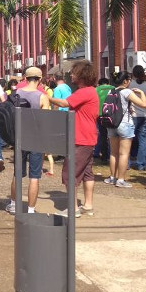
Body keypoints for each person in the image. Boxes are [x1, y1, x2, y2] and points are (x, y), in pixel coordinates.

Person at [48, 61, 99, 218]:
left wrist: (46, 97)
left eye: (74, 73)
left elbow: (65, 102)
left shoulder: (84, 92)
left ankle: (73, 208)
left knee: (71, 173)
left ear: (82, 75)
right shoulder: (90, 91)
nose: (71, 75)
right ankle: (88, 205)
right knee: (87, 172)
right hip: (88, 137)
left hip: (80, 138)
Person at [5, 67, 51, 215]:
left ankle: (13, 204)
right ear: (40, 79)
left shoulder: (15, 94)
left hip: (20, 137)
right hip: (36, 139)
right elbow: (45, 121)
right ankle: (31, 210)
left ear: (25, 78)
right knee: (34, 177)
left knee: (17, 174)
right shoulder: (42, 97)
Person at [102, 71, 146, 188]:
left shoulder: (111, 91)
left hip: (112, 124)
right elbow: (143, 104)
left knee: (113, 153)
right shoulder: (127, 91)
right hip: (125, 124)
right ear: (125, 81)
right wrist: (141, 93)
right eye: (129, 80)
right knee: (124, 154)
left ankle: (112, 177)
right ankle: (121, 180)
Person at [129, 66, 146, 171]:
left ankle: (126, 163)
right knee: (143, 140)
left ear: (133, 74)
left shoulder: (129, 85)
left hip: (132, 115)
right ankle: (141, 164)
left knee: (128, 139)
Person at [94, 77, 114, 162]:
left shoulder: (96, 90)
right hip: (111, 115)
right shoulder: (113, 88)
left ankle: (104, 155)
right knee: (112, 136)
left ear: (99, 84)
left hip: (100, 115)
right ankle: (111, 154)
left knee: (102, 135)